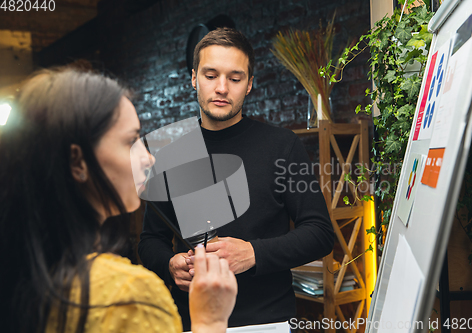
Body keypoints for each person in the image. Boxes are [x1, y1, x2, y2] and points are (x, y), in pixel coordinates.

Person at [0, 67, 237, 333]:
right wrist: (210, 321)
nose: (148, 158)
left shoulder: (24, 274)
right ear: (78, 161)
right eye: (130, 141)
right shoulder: (130, 296)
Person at [139, 27, 336, 330]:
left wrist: (253, 253)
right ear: (194, 78)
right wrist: (168, 265)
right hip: (193, 320)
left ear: (249, 85)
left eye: (234, 78)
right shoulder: (171, 153)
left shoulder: (282, 145)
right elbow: (150, 241)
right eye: (210, 75)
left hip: (267, 322)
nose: (221, 88)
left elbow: (321, 233)